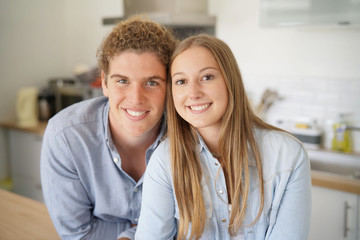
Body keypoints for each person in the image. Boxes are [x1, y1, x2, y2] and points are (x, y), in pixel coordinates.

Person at [135, 34, 312, 240]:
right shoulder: (165, 161)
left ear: (230, 80)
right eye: (181, 81)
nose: (193, 93)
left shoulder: (288, 155)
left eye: (207, 77)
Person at [40, 16, 177, 240]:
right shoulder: (65, 137)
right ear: (104, 83)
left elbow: (193, 225)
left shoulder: (188, 135)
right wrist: (148, 230)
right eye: (122, 81)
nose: (136, 98)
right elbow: (78, 234)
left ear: (169, 86)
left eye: (151, 82)